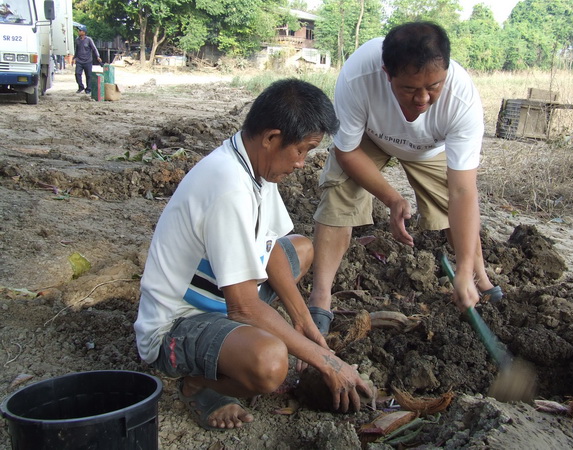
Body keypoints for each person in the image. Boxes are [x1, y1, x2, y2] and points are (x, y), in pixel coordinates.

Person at [134, 79, 373, 431]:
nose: (302, 163)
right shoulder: (228, 187)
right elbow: (243, 307)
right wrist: (326, 360)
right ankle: (198, 384)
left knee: (302, 248)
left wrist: (305, 323)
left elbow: (272, 245)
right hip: (177, 325)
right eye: (302, 150)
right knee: (271, 362)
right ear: (272, 138)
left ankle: (250, 337)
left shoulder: (252, 165)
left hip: (221, 298)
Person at [308, 21, 503, 335]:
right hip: (368, 140)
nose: (423, 98)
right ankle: (320, 296)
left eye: (434, 87)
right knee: (339, 193)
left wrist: (461, 271)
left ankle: (476, 276)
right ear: (387, 73)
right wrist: (392, 199)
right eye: (410, 88)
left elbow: (463, 191)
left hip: (429, 149)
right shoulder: (360, 76)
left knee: (452, 211)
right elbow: (347, 151)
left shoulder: (462, 98)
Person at [72, 25, 102, 94]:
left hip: (88, 61)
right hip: (79, 60)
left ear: (84, 32)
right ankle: (81, 87)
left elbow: (94, 49)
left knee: (88, 75)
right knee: (77, 74)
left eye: (80, 31)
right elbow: (77, 50)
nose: (79, 32)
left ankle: (88, 89)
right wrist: (74, 58)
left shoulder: (89, 40)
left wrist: (98, 56)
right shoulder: (77, 40)